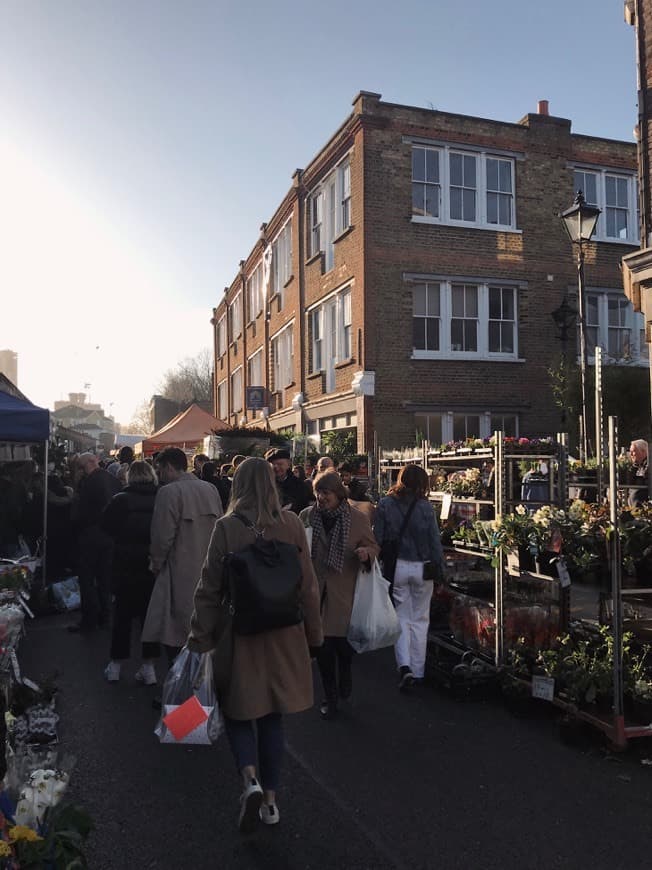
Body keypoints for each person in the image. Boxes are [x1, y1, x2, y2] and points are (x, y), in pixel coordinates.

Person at [187, 458, 323, 832]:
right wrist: (315, 636)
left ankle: (249, 779)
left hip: (240, 633)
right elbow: (308, 587)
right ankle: (272, 803)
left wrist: (199, 637)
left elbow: (208, 588)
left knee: (238, 711)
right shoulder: (292, 523)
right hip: (285, 633)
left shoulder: (227, 527)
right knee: (273, 717)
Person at [299, 471, 379, 719]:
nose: (321, 498)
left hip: (345, 591)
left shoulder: (356, 518)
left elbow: (374, 545)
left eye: (326, 493)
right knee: (322, 648)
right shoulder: (308, 516)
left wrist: (366, 552)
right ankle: (330, 697)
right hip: (316, 592)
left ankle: (345, 675)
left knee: (343, 648)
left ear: (338, 494)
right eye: (318, 492)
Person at [142, 447, 223, 664]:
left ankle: (181, 690)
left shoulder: (168, 492)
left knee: (175, 636)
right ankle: (200, 689)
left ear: (169, 467)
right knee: (203, 633)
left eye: (159, 470)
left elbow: (161, 536)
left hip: (177, 569)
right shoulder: (210, 489)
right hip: (208, 571)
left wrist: (156, 563)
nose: (158, 475)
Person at [374, 464, 444, 690]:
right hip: (423, 567)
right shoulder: (426, 507)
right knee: (421, 619)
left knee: (402, 617)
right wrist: (440, 571)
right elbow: (435, 542)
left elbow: (378, 537)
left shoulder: (385, 504)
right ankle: (418, 669)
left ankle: (404, 667)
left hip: (398, 566)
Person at [101, 461, 160, 684]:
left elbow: (106, 526)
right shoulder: (161, 498)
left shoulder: (121, 500)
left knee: (122, 617)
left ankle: (116, 666)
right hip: (151, 565)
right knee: (149, 618)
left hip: (124, 565)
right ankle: (149, 668)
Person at [69, 453, 122, 633]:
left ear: (87, 465)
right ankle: (105, 617)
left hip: (90, 535)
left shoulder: (88, 483)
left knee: (87, 578)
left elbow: (79, 513)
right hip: (109, 536)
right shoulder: (113, 480)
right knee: (104, 578)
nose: (81, 471)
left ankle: (89, 619)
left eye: (82, 468)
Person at [267, 449, 310, 514]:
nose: (276, 468)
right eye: (273, 464)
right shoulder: (266, 484)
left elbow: (303, 507)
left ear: (288, 464)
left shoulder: (299, 485)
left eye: (280, 464)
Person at [629, 439, 649, 507]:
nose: (631, 454)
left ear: (643, 452)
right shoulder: (637, 465)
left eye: (633, 451)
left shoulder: (648, 464)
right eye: (630, 451)